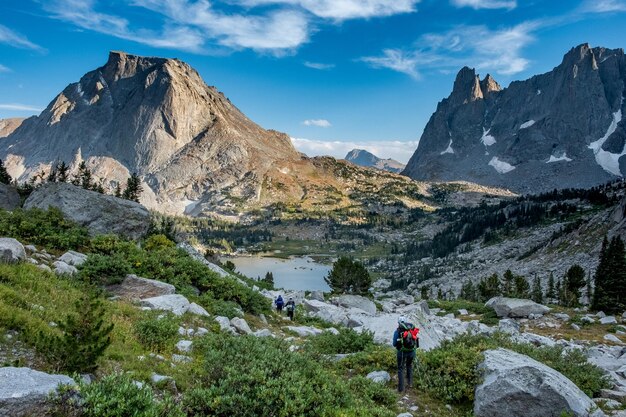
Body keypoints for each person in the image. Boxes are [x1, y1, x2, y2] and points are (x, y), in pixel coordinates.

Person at [392, 315, 419, 392]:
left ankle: (401, 389)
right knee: (409, 366)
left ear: (398, 322)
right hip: (411, 352)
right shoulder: (411, 330)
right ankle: (410, 383)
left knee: (400, 369)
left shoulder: (397, 331)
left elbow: (394, 344)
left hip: (402, 352)